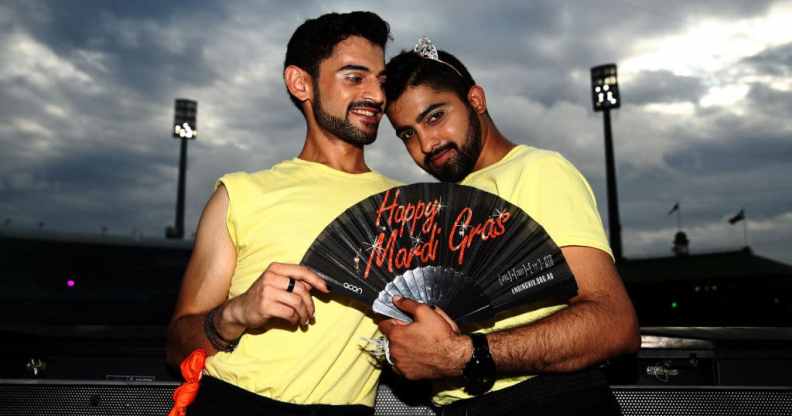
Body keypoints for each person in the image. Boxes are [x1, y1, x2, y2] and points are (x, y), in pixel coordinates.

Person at [378, 39, 641, 415]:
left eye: (435, 116)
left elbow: (614, 325)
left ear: (476, 100)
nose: (426, 144)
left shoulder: (538, 171)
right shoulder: (438, 207)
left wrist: (463, 354)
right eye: (407, 134)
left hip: (549, 401)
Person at [166, 11, 401, 416]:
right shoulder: (240, 194)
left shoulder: (407, 205)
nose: (377, 96)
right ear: (300, 83)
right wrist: (236, 313)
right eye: (354, 77)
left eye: (381, 81)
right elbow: (176, 346)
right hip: (234, 404)